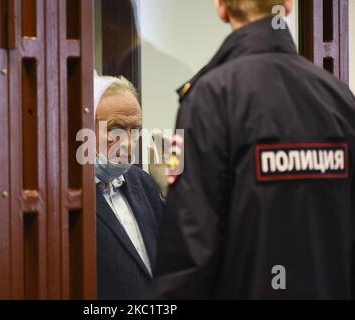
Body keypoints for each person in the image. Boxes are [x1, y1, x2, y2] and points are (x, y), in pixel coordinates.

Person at [149, 0, 355, 299]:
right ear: (287, 5)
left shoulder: (210, 98)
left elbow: (189, 259)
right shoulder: (338, 99)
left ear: (221, 7)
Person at [94, 71, 163, 300]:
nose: (127, 142)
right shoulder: (68, 196)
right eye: (115, 129)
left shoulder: (142, 183)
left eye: (134, 130)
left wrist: (173, 192)